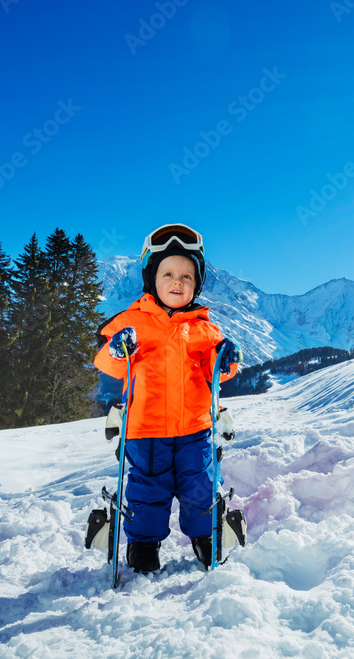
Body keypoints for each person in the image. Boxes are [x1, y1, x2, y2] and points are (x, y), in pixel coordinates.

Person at [93, 223, 240, 573]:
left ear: (197, 283)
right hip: (146, 430)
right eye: (169, 273)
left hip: (195, 429)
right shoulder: (132, 322)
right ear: (152, 279)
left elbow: (217, 373)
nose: (178, 282)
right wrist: (117, 348)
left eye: (187, 276)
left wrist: (226, 358)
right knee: (147, 492)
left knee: (201, 487)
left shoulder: (205, 328)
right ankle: (143, 545)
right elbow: (106, 361)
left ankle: (207, 537)